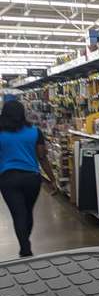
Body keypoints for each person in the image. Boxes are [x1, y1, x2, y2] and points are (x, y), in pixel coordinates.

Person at [0, 100, 56, 257]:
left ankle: (25, 248)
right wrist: (52, 179)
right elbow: (42, 157)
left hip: (7, 179)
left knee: (18, 214)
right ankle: (25, 245)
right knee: (28, 212)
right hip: (32, 179)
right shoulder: (34, 132)